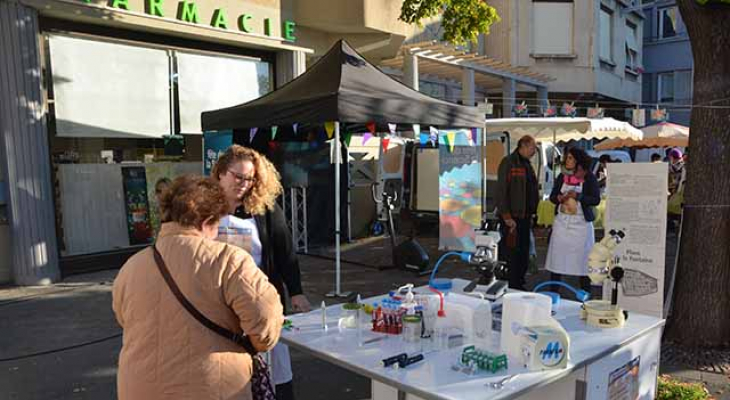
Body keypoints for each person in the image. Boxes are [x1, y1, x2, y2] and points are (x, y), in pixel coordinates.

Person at [112, 175, 284, 400]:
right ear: (207, 221)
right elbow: (265, 324)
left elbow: (124, 318)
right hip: (212, 387)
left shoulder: (131, 266)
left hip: (139, 388)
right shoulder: (228, 259)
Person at [212, 145, 309, 400]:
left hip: (260, 297)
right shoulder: (204, 210)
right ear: (221, 173)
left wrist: (296, 292)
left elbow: (286, 252)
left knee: (275, 363)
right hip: (218, 301)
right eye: (238, 176)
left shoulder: (264, 209)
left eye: (250, 178)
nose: (244, 184)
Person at [544, 148, 601, 292]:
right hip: (562, 224)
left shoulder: (589, 177)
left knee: (582, 262)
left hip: (581, 226)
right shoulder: (561, 177)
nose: (566, 161)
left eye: (570, 158)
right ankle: (553, 293)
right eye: (567, 158)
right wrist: (558, 198)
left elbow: (595, 200)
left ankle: (585, 294)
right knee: (557, 259)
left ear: (578, 161)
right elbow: (552, 196)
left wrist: (579, 197)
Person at [496, 135, 539, 290]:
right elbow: (501, 191)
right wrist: (506, 216)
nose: (535, 151)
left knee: (522, 252)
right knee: (511, 254)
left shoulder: (526, 164)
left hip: (524, 216)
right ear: (524, 146)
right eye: (533, 147)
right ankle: (510, 284)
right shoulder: (509, 162)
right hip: (512, 218)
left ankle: (519, 282)